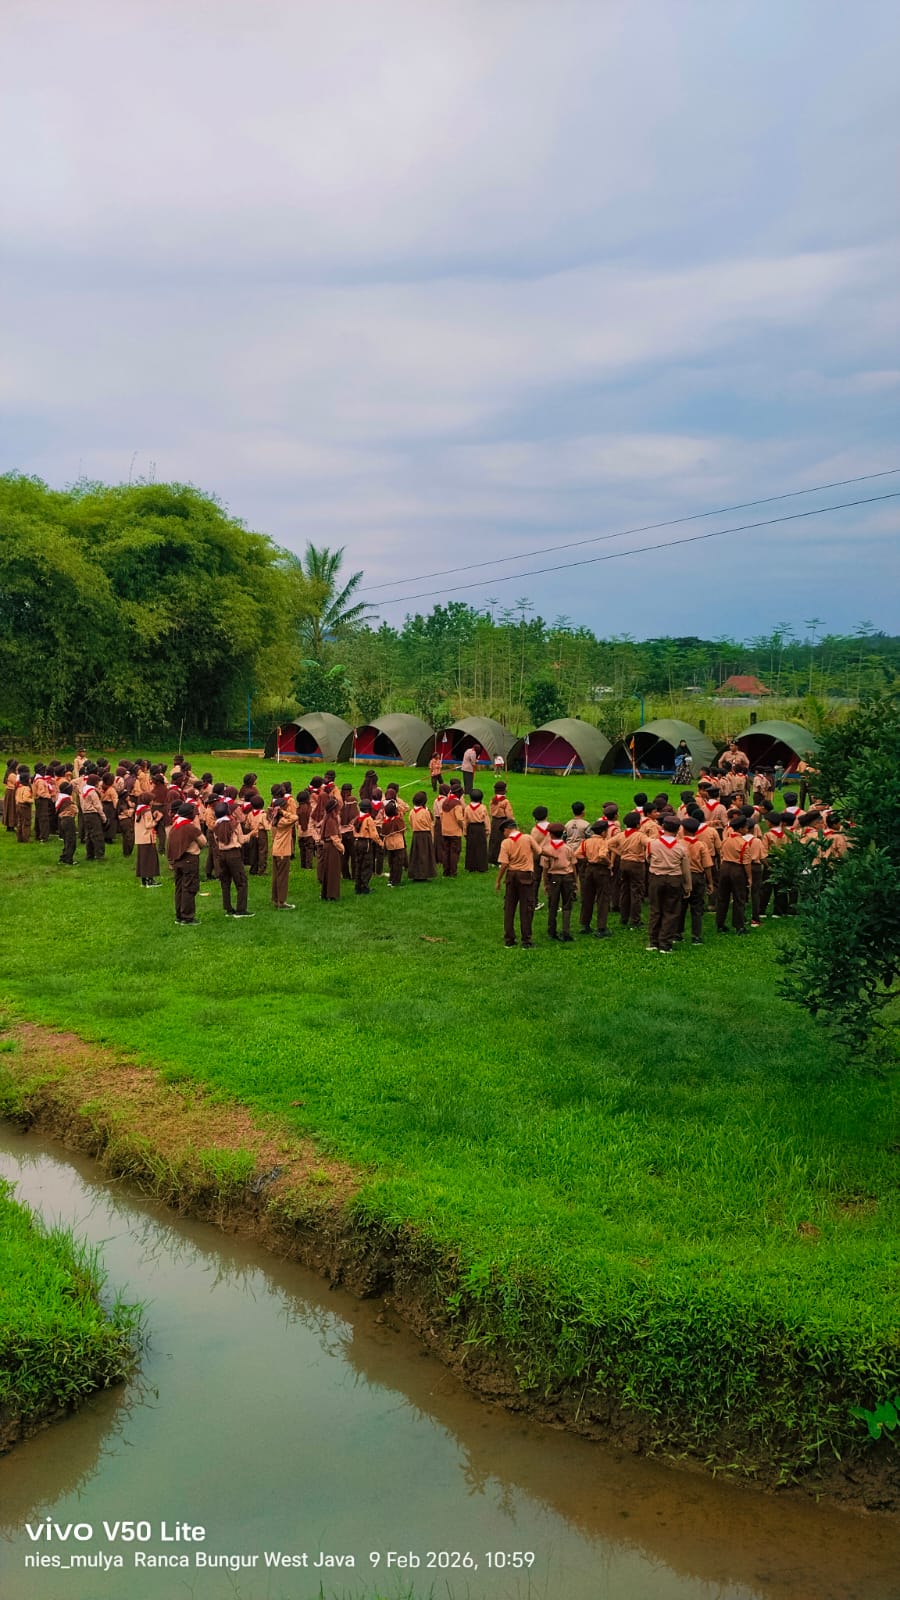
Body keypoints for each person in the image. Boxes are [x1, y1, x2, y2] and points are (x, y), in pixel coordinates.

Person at [646, 817, 691, 952]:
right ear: (678, 830)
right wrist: (687, 885)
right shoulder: (681, 848)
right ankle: (665, 942)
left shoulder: (652, 844)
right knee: (670, 911)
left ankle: (653, 941)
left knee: (655, 910)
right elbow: (685, 869)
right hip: (674, 879)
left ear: (663, 828)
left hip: (656, 878)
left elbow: (648, 859)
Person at [495, 817, 538, 948]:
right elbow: (539, 851)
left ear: (507, 830)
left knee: (509, 908)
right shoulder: (528, 838)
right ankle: (526, 940)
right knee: (527, 908)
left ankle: (509, 939)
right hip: (525, 876)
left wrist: (498, 880)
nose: (504, 834)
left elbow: (504, 864)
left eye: (504, 832)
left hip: (511, 876)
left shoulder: (506, 843)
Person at [166, 803, 205, 924]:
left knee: (179, 888)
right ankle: (188, 916)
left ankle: (179, 914)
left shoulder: (175, 825)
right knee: (189, 887)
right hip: (190, 859)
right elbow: (203, 842)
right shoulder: (190, 827)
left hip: (177, 860)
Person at [678, 816, 714, 944]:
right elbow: (707, 865)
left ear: (684, 830)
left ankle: (678, 933)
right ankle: (696, 935)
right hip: (698, 877)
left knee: (681, 906)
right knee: (697, 907)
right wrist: (710, 882)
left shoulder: (679, 843)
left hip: (682, 876)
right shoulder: (701, 845)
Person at [541, 823, 578, 941]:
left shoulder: (547, 849)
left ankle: (552, 930)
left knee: (553, 904)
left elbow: (545, 868)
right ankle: (566, 931)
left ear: (550, 834)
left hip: (554, 878)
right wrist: (575, 881)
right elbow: (573, 865)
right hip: (567, 877)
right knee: (567, 904)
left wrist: (545, 883)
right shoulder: (568, 848)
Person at [214, 802, 253, 917]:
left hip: (221, 854)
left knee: (225, 881)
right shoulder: (235, 824)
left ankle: (228, 908)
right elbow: (241, 840)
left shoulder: (216, 826)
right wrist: (251, 834)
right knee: (241, 882)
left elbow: (217, 841)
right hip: (233, 854)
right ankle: (241, 910)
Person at [716, 817, 753, 934]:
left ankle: (720, 924)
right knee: (739, 898)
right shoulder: (743, 843)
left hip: (724, 867)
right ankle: (739, 926)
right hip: (737, 869)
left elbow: (721, 854)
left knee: (723, 898)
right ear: (741, 829)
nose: (747, 829)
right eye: (746, 827)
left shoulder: (726, 840)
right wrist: (749, 877)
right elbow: (746, 862)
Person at [578, 819, 613, 937]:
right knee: (603, 898)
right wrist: (609, 863)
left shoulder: (586, 842)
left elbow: (577, 854)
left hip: (589, 869)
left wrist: (587, 860)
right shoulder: (603, 842)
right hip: (601, 870)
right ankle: (601, 927)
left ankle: (585, 924)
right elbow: (602, 855)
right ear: (603, 832)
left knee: (587, 897)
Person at [616, 811, 647, 929]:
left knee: (624, 890)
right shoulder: (640, 835)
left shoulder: (621, 835)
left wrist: (620, 853)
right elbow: (649, 843)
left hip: (624, 863)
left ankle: (624, 917)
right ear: (638, 824)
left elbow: (610, 844)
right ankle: (635, 919)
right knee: (636, 892)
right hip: (636, 864)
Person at [270, 798, 296, 909]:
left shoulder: (275, 819)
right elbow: (295, 817)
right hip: (283, 851)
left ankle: (276, 899)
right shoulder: (283, 821)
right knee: (282, 877)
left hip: (276, 849)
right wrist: (283, 812)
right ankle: (281, 901)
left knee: (276, 876)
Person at [319, 798, 344, 900]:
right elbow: (334, 837)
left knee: (328, 870)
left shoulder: (327, 818)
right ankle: (332, 894)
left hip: (328, 846)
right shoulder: (331, 821)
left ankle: (326, 893)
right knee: (333, 871)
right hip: (332, 847)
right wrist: (341, 847)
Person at [353, 800, 380, 894]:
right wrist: (381, 843)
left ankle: (358, 886)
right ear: (368, 809)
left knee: (358, 864)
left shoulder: (357, 818)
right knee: (367, 865)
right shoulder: (369, 819)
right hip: (365, 843)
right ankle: (364, 886)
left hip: (356, 842)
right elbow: (374, 835)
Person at [408, 793, 436, 880]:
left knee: (416, 855)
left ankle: (415, 873)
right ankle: (423, 874)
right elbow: (429, 823)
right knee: (424, 854)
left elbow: (410, 822)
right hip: (424, 835)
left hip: (416, 834)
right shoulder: (425, 812)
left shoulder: (412, 812)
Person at [134, 801, 161, 886]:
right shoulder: (147, 810)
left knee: (143, 860)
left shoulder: (139, 809)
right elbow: (148, 825)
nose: (153, 801)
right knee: (150, 860)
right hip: (147, 838)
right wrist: (157, 819)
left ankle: (144, 880)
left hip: (140, 838)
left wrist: (152, 816)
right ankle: (150, 880)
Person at [381, 800, 407, 886]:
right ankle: (396, 882)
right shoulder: (397, 820)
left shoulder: (385, 822)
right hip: (398, 844)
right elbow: (403, 830)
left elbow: (384, 833)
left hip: (389, 845)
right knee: (398, 863)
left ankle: (391, 879)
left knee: (391, 863)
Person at [463, 788, 489, 872]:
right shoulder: (483, 807)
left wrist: (465, 831)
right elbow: (486, 820)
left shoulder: (467, 808)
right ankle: (481, 866)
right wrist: (487, 830)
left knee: (471, 847)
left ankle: (471, 866)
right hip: (480, 828)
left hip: (471, 828)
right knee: (481, 847)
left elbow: (465, 820)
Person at [488, 782, 514, 864]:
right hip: (503, 821)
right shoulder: (505, 801)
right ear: (503, 790)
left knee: (493, 840)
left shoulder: (492, 800)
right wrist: (512, 821)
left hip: (494, 821)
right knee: (501, 840)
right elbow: (509, 814)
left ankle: (492, 859)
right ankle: (500, 860)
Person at [440, 791, 464, 876]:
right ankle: (453, 871)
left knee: (446, 851)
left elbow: (441, 815)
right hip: (455, 832)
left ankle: (446, 871)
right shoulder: (457, 804)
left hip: (445, 830)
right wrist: (462, 827)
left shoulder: (445, 802)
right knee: (454, 852)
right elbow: (459, 819)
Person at [55, 782, 78, 865]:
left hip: (62, 820)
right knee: (71, 840)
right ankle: (69, 859)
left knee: (66, 840)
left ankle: (64, 856)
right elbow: (75, 810)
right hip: (68, 820)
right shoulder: (67, 799)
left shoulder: (60, 797)